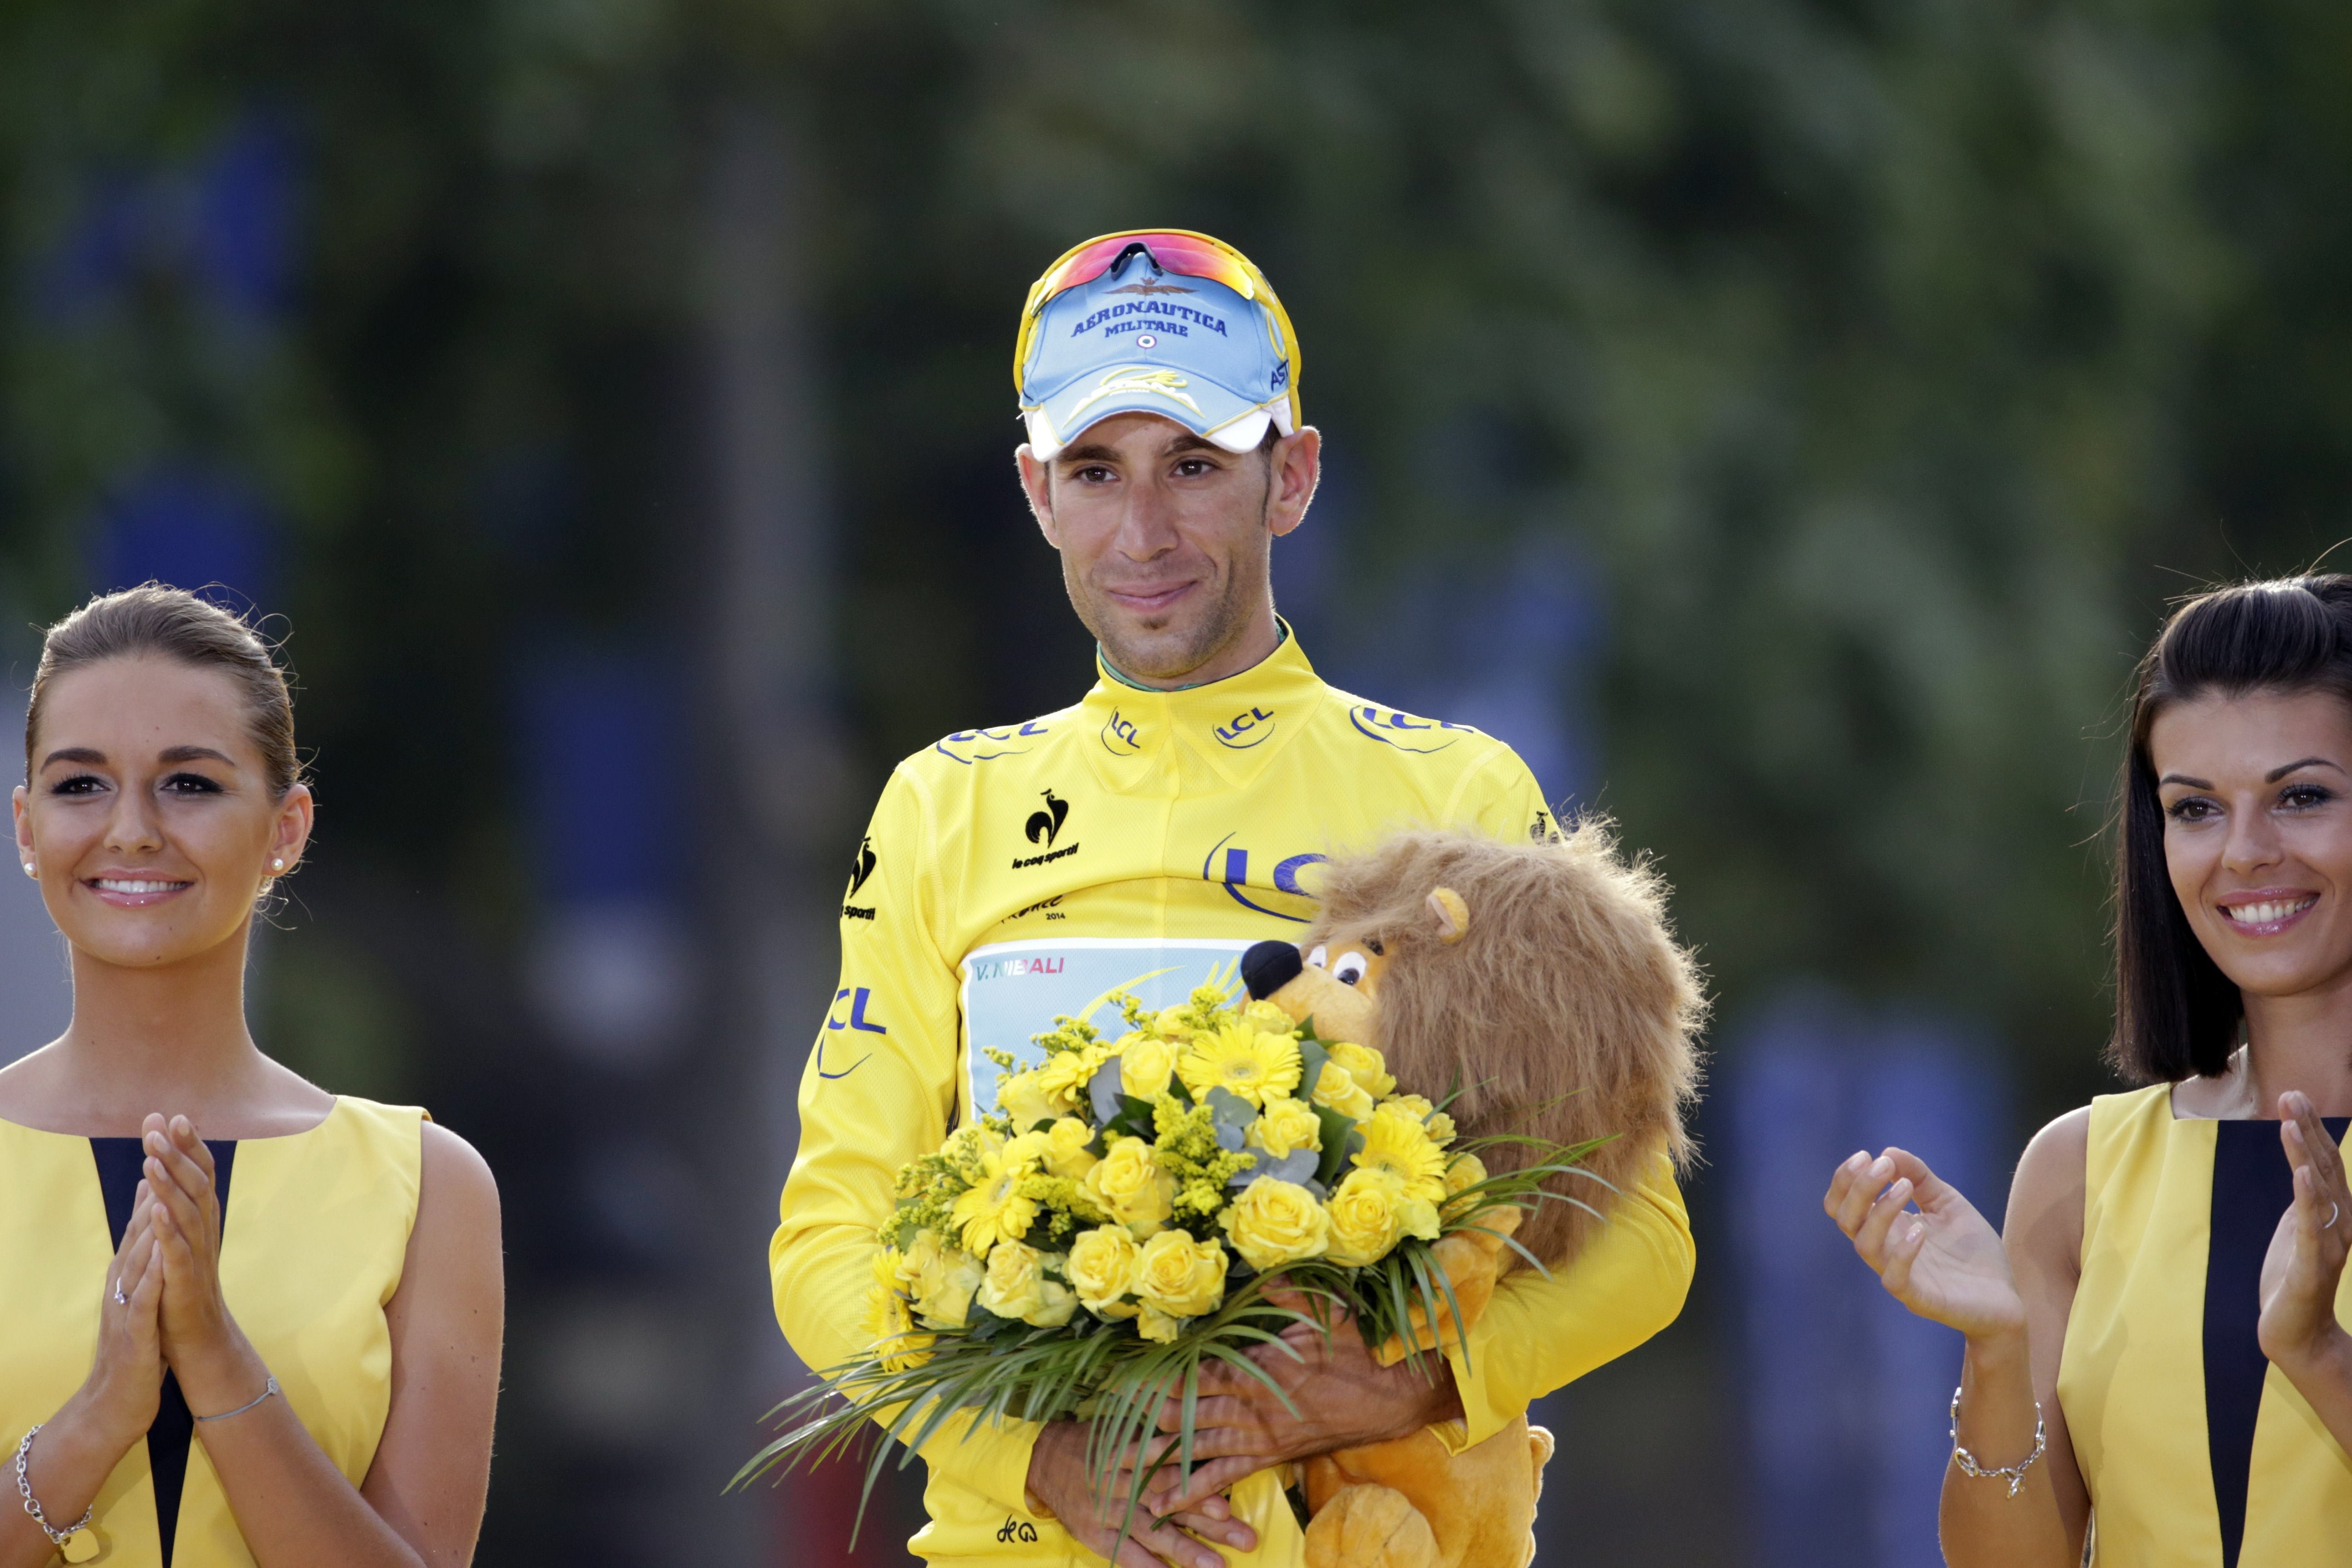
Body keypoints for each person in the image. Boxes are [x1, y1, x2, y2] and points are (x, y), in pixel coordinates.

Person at [771, 230, 1697, 1568]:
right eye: (1097, 471)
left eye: (1195, 465)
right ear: (1037, 492)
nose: (1142, 531)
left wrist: (1411, 1388)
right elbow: (828, 1244)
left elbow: (1641, 1237)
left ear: (1293, 475)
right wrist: (1045, 1463)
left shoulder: (1460, 797)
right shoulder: (940, 804)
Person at [1824, 575, 2352, 1567]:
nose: (2244, 852)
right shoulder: (2079, 1171)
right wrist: (1996, 1349)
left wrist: (2319, 1354)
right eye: (2195, 809)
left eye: (2303, 796)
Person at [0, 586, 503, 1568]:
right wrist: (101, 1414)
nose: (133, 830)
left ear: (287, 828)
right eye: (79, 785)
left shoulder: (427, 1187)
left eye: (189, 784)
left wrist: (220, 1361)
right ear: (27, 828)